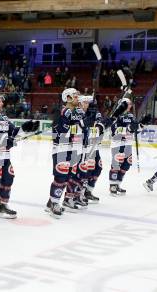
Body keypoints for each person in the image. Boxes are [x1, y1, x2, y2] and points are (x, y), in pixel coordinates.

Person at [0, 92, 39, 220]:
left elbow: (13, 132)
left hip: (5, 155)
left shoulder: (4, 118)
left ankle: (3, 206)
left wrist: (25, 128)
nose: (2, 103)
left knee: (8, 178)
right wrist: (4, 141)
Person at [45, 88, 85, 217]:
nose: (77, 98)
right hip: (61, 148)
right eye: (75, 95)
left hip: (71, 148)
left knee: (66, 177)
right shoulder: (62, 111)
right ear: (67, 98)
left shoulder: (75, 112)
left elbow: (81, 127)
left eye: (78, 95)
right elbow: (62, 130)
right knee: (60, 177)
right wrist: (73, 122)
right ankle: (55, 203)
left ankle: (51, 202)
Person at [109, 98, 151, 196]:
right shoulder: (116, 115)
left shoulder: (131, 116)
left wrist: (142, 124)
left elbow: (135, 129)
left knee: (125, 165)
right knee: (116, 165)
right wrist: (129, 128)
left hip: (128, 144)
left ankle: (118, 184)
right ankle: (112, 186)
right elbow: (114, 130)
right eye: (127, 103)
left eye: (130, 103)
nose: (129, 105)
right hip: (118, 144)